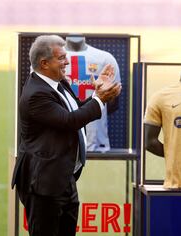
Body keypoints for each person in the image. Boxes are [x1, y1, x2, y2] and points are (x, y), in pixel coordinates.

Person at [11, 35, 121, 236]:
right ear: (44, 63)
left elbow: (75, 110)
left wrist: (96, 95)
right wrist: (98, 100)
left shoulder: (58, 83)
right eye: (61, 58)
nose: (67, 62)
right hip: (43, 183)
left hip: (63, 177)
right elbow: (69, 122)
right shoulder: (36, 94)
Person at [65, 35, 121, 152]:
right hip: (60, 138)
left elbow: (113, 102)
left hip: (95, 142)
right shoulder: (49, 60)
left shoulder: (105, 59)